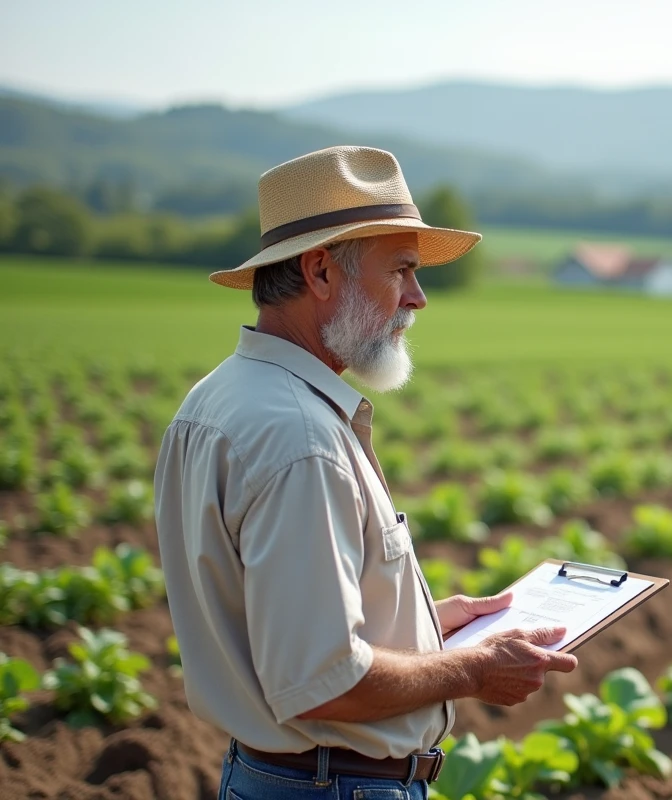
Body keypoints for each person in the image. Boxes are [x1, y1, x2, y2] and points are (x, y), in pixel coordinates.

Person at [153, 146, 577, 800]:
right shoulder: (300, 436)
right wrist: (471, 671)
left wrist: (432, 627)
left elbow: (282, 631)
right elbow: (324, 680)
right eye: (402, 270)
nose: (419, 297)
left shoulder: (218, 397)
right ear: (320, 272)